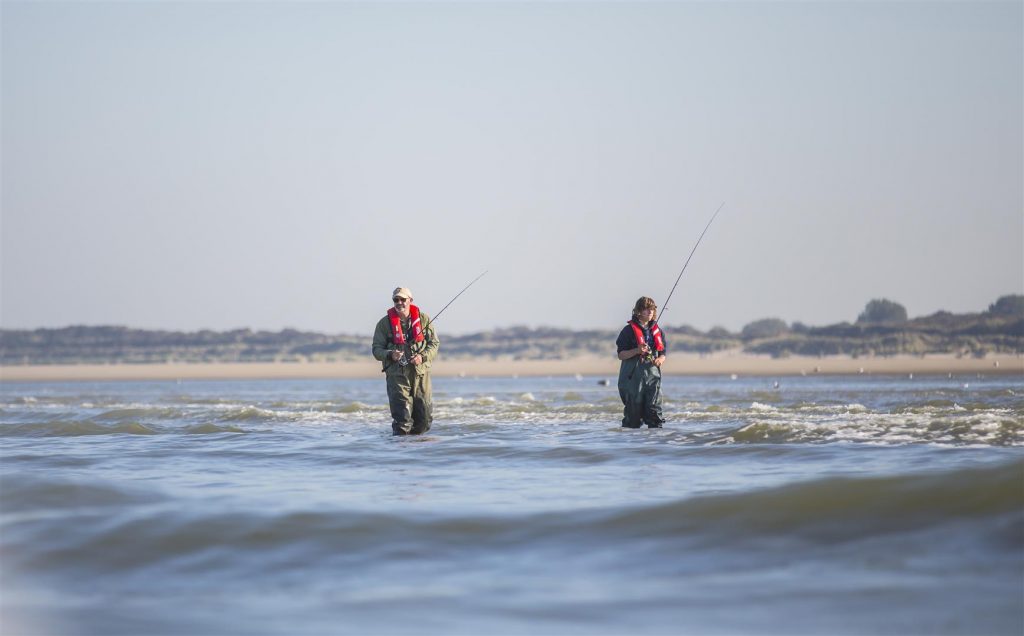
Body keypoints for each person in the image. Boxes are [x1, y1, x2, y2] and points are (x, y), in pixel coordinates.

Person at [372, 287, 440, 435]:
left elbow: (434, 344)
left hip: (420, 374)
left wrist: (422, 357)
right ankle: (401, 454)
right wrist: (390, 354)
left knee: (425, 419)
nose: (400, 302)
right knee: (402, 421)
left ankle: (417, 452)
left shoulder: (424, 319)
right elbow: (376, 349)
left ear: (410, 300)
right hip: (397, 376)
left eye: (403, 299)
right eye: (396, 299)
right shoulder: (384, 324)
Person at [615, 296, 667, 429]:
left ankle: (654, 446)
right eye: (646, 309)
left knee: (655, 413)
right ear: (638, 311)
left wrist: (660, 360)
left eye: (652, 309)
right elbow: (621, 355)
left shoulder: (658, 331)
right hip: (632, 377)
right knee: (633, 417)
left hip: (652, 376)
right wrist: (637, 350)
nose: (650, 312)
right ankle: (632, 446)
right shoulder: (627, 331)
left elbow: (663, 353)